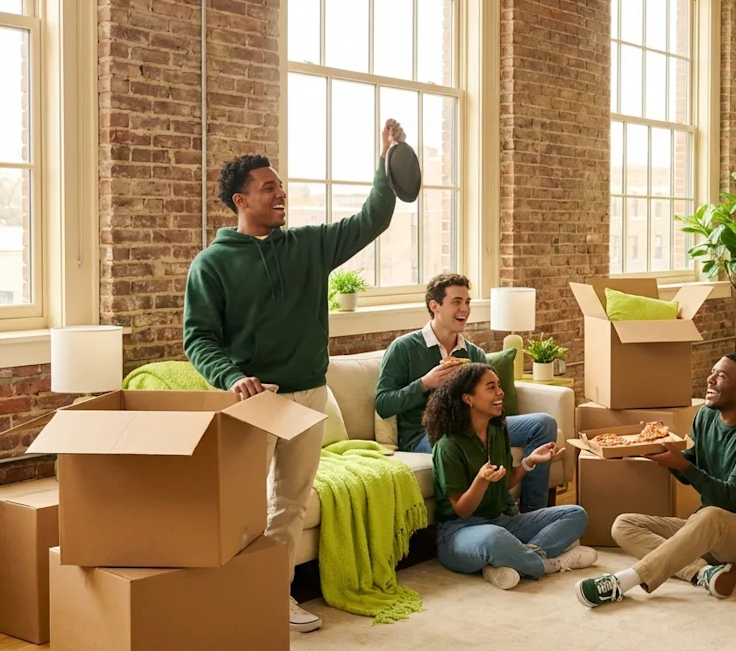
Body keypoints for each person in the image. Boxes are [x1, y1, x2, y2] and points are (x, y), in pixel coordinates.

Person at [183, 119, 403, 633]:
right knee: (242, 510)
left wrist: (386, 165)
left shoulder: (309, 245)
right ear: (241, 200)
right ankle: (227, 599)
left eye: (280, 185)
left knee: (289, 502)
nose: (280, 194)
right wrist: (232, 376)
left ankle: (272, 596)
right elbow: (198, 339)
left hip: (308, 394)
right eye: (268, 188)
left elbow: (372, 219)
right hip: (255, 400)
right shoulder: (211, 265)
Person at [575, 353, 736, 608]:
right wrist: (652, 453)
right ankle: (703, 573)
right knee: (624, 525)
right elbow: (691, 468)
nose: (709, 379)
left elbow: (731, 498)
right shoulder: (705, 417)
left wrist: (682, 464)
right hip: (707, 529)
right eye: (713, 371)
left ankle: (623, 582)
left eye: (721, 376)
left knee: (712, 515)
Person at [375, 273, 560, 511]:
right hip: (424, 435)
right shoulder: (404, 349)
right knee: (473, 442)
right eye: (456, 302)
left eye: (468, 302)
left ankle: (534, 512)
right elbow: (383, 403)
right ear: (435, 306)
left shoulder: (473, 354)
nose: (465, 308)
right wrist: (425, 383)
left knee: (543, 423)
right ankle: (503, 510)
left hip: (477, 426)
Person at [425, 363, 597, 590]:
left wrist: (530, 461)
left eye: (499, 386)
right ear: (468, 399)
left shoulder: (496, 431)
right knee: (494, 538)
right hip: (459, 532)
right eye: (491, 387)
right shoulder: (448, 446)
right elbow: (462, 510)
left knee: (576, 514)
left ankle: (513, 561)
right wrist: (481, 480)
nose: (500, 392)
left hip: (502, 522)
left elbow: (505, 483)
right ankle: (548, 565)